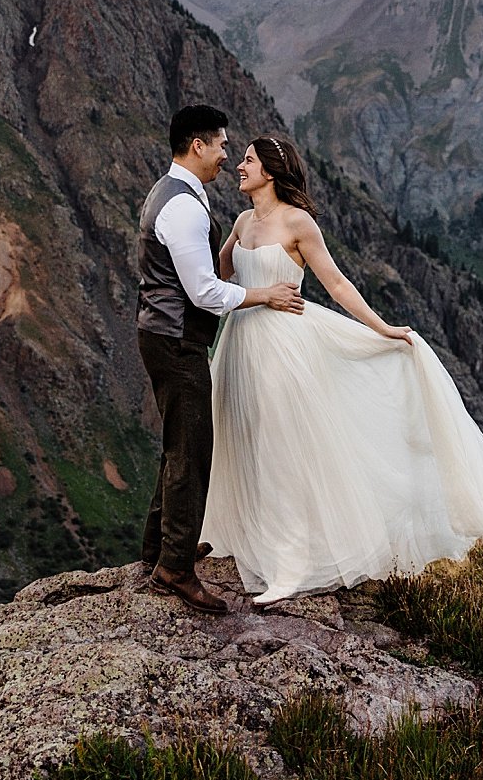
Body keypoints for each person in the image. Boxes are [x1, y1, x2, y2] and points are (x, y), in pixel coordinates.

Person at [200, 134, 483, 605]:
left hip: (284, 346)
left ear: (270, 171)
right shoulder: (242, 219)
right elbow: (224, 272)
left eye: (248, 161)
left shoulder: (299, 222)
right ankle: (252, 542)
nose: (239, 166)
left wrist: (382, 329)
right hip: (239, 343)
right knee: (244, 440)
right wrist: (222, 250)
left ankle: (290, 565)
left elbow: (335, 283)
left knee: (282, 450)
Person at [137, 106, 304, 614]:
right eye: (222, 145)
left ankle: (160, 550)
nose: (227, 155)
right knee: (192, 451)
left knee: (178, 444)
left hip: (163, 333)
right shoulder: (184, 207)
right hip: (177, 339)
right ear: (197, 145)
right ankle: (175, 570)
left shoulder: (171, 193)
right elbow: (206, 292)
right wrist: (264, 296)